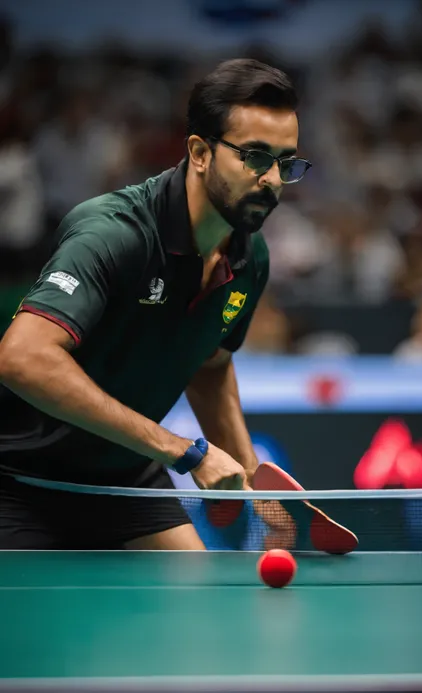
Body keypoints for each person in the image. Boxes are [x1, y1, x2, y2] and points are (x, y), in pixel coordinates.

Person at [0, 59, 311, 550]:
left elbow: (209, 366)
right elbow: (21, 358)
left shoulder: (248, 257)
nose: (272, 178)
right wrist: (184, 452)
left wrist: (255, 485)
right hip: (20, 478)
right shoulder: (114, 234)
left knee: (193, 614)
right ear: (200, 152)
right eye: (254, 157)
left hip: (125, 476)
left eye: (285, 162)